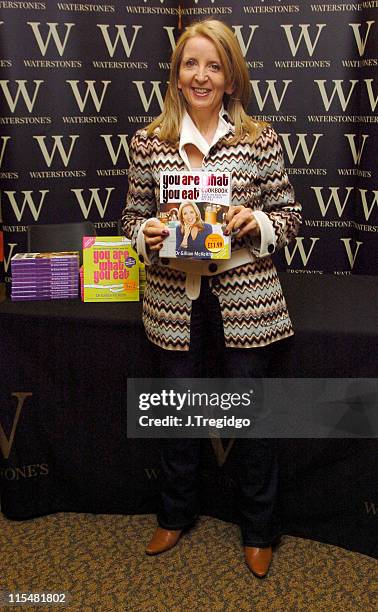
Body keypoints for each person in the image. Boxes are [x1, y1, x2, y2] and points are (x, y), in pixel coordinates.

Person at [122, 19, 301, 578]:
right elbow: (130, 217)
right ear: (176, 76)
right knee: (177, 413)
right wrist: (144, 236)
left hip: (246, 299)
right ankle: (174, 514)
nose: (201, 75)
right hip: (175, 300)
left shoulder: (259, 138)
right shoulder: (149, 142)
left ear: (230, 78)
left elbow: (292, 217)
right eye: (190, 64)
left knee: (250, 417)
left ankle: (259, 528)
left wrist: (259, 223)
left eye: (214, 65)